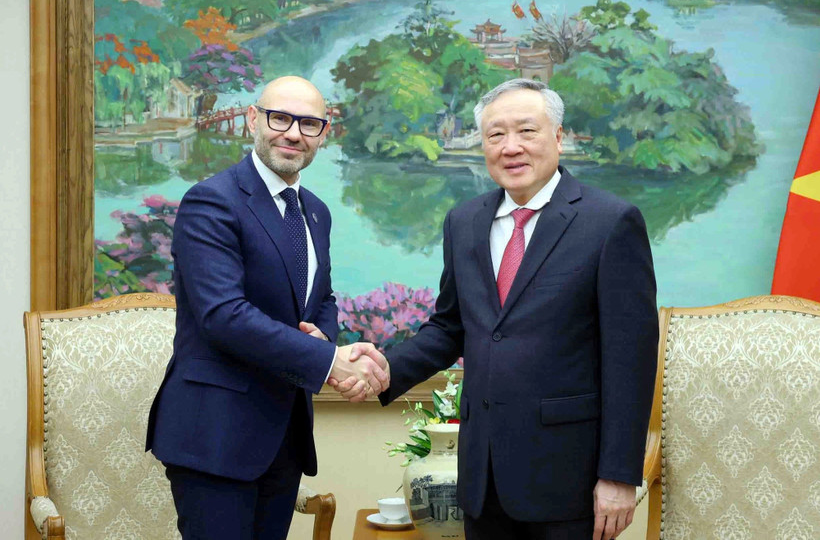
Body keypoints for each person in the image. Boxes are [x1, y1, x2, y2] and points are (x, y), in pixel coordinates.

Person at [336, 78, 658, 539]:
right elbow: (449, 328)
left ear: (559, 138)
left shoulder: (610, 222)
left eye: (527, 131)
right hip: (482, 478)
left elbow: (631, 359)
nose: (511, 147)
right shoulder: (463, 221)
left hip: (570, 480)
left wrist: (619, 475)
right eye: (495, 135)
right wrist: (384, 367)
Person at [146, 76, 388, 540]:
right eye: (281, 118)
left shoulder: (316, 211)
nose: (294, 133)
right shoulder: (212, 201)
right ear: (254, 120)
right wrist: (328, 361)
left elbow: (323, 299)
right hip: (215, 434)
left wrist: (324, 341)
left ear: (324, 132)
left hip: (283, 434)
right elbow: (223, 316)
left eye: (309, 123)